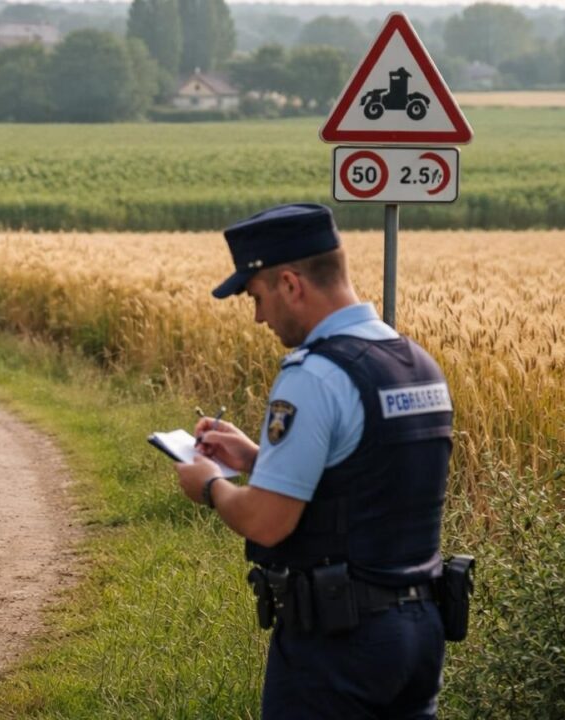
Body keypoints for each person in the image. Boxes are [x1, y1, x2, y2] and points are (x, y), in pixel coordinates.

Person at [174, 203, 454, 718]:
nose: (258, 316)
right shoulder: (416, 363)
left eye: (256, 298)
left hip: (339, 644)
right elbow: (366, 484)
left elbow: (267, 521)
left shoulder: (316, 376)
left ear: (290, 284)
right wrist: (258, 459)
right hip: (418, 636)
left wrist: (210, 485)